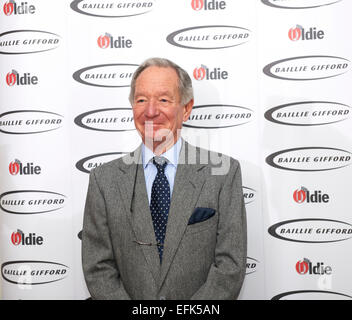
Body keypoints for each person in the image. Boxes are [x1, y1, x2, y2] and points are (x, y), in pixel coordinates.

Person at [82, 57, 247, 300]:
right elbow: (98, 268)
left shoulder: (223, 173)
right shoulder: (103, 180)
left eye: (163, 100)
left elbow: (230, 267)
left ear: (186, 109)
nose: (150, 111)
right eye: (141, 100)